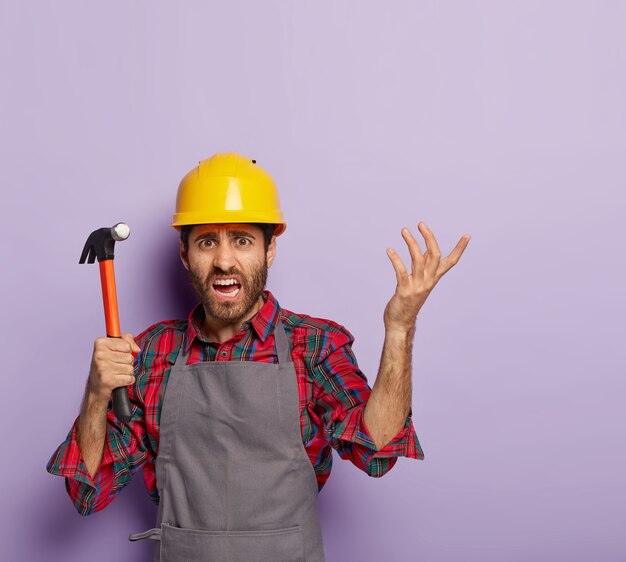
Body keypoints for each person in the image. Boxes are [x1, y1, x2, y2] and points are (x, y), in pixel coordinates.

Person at [47, 153, 470, 562]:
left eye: (243, 240)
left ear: (269, 250)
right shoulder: (151, 353)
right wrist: (96, 393)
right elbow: (88, 492)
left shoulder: (314, 345)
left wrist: (399, 329)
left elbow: (377, 453)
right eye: (207, 241)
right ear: (184, 254)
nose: (224, 260)